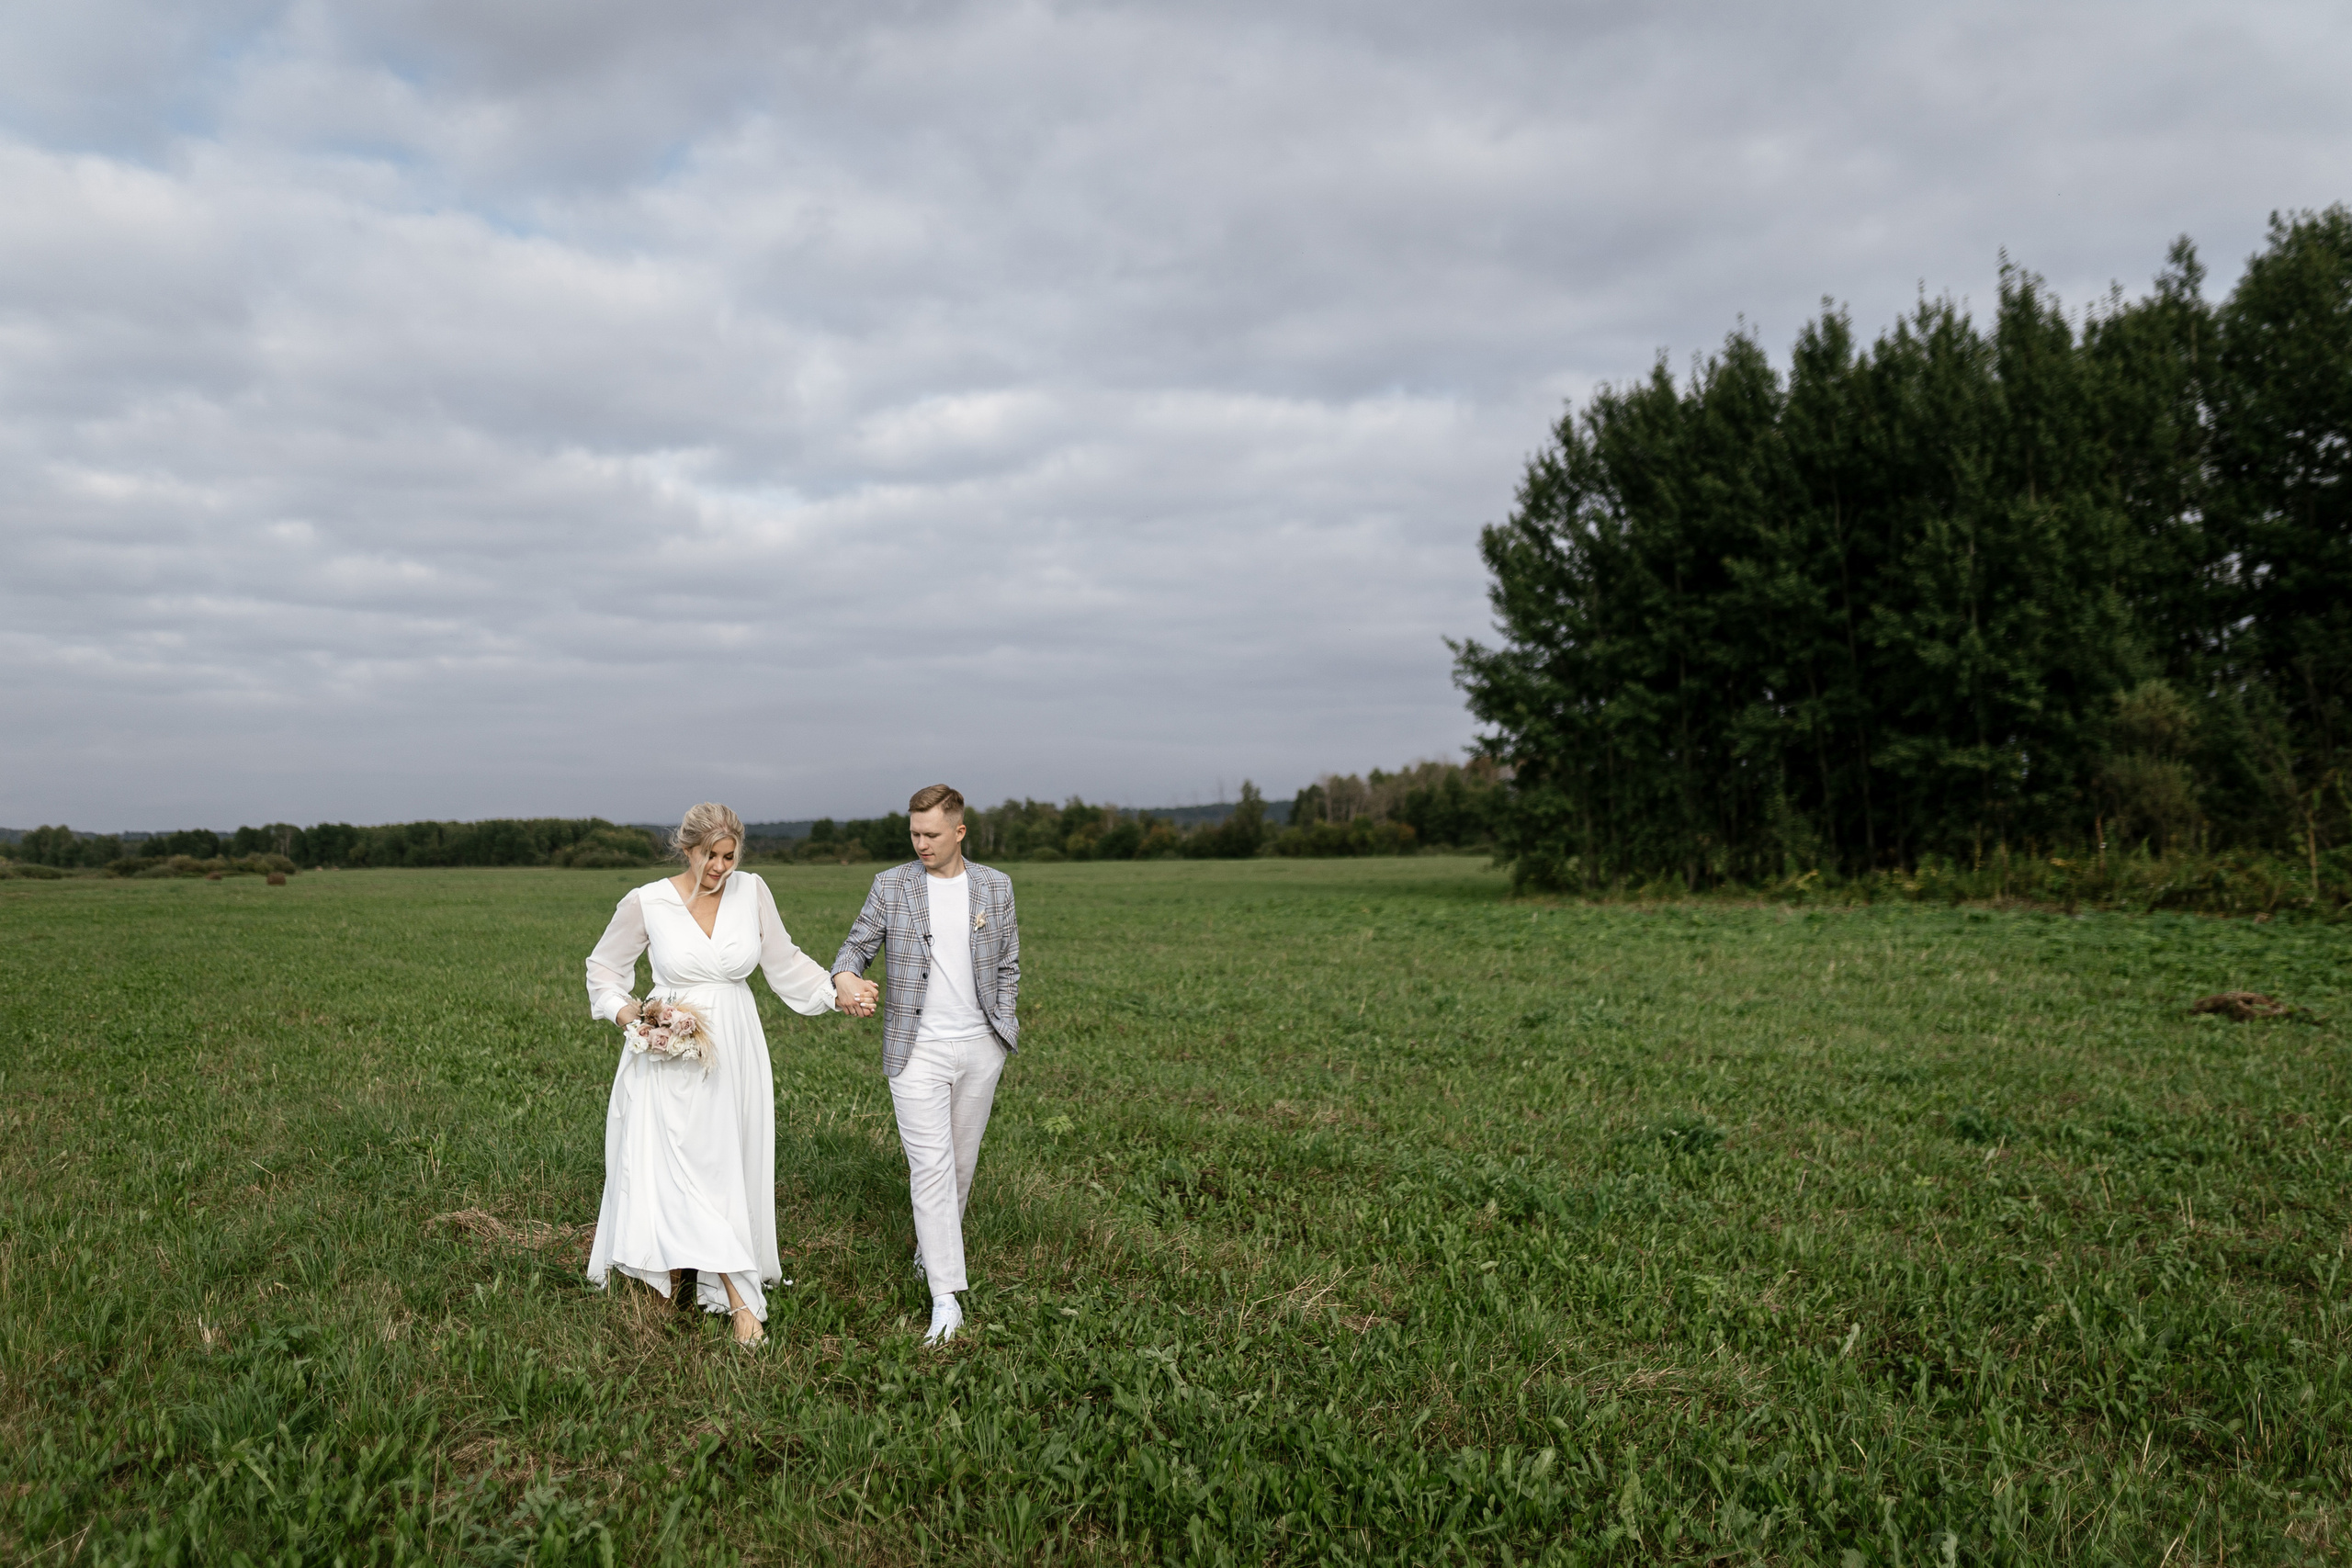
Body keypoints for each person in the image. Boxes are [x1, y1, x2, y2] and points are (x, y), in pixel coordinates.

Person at [582, 802, 858, 1347]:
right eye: (710, 856)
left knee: (725, 1162)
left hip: (734, 1045)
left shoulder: (751, 890)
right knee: (681, 1162)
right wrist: (633, 1017)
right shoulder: (648, 902)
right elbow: (604, 968)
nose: (720, 868)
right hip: (670, 1052)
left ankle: (719, 1278)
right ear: (686, 849)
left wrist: (835, 991)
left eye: (729, 856)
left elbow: (784, 960)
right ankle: (720, 1291)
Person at [830, 784, 1020, 1345]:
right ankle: (946, 1296)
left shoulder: (996, 886)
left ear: (959, 832)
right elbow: (854, 948)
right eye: (914, 833)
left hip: (980, 1046)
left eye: (931, 834)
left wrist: (1001, 1026)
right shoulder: (891, 886)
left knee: (960, 1166)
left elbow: (1008, 961)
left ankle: (929, 1253)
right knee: (931, 1168)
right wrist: (844, 978)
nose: (920, 844)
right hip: (916, 1049)